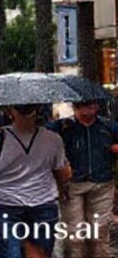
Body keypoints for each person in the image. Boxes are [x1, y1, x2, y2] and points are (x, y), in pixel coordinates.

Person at [0, 103, 69, 258]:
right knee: (40, 254)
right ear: (37, 110)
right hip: (43, 202)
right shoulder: (53, 139)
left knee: (8, 253)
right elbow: (62, 173)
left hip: (3, 202)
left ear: (10, 111)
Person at [47, 100, 116, 258]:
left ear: (97, 107)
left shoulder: (109, 127)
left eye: (90, 107)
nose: (85, 112)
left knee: (100, 230)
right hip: (72, 184)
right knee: (74, 232)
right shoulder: (62, 126)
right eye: (80, 107)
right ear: (74, 107)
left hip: (102, 182)